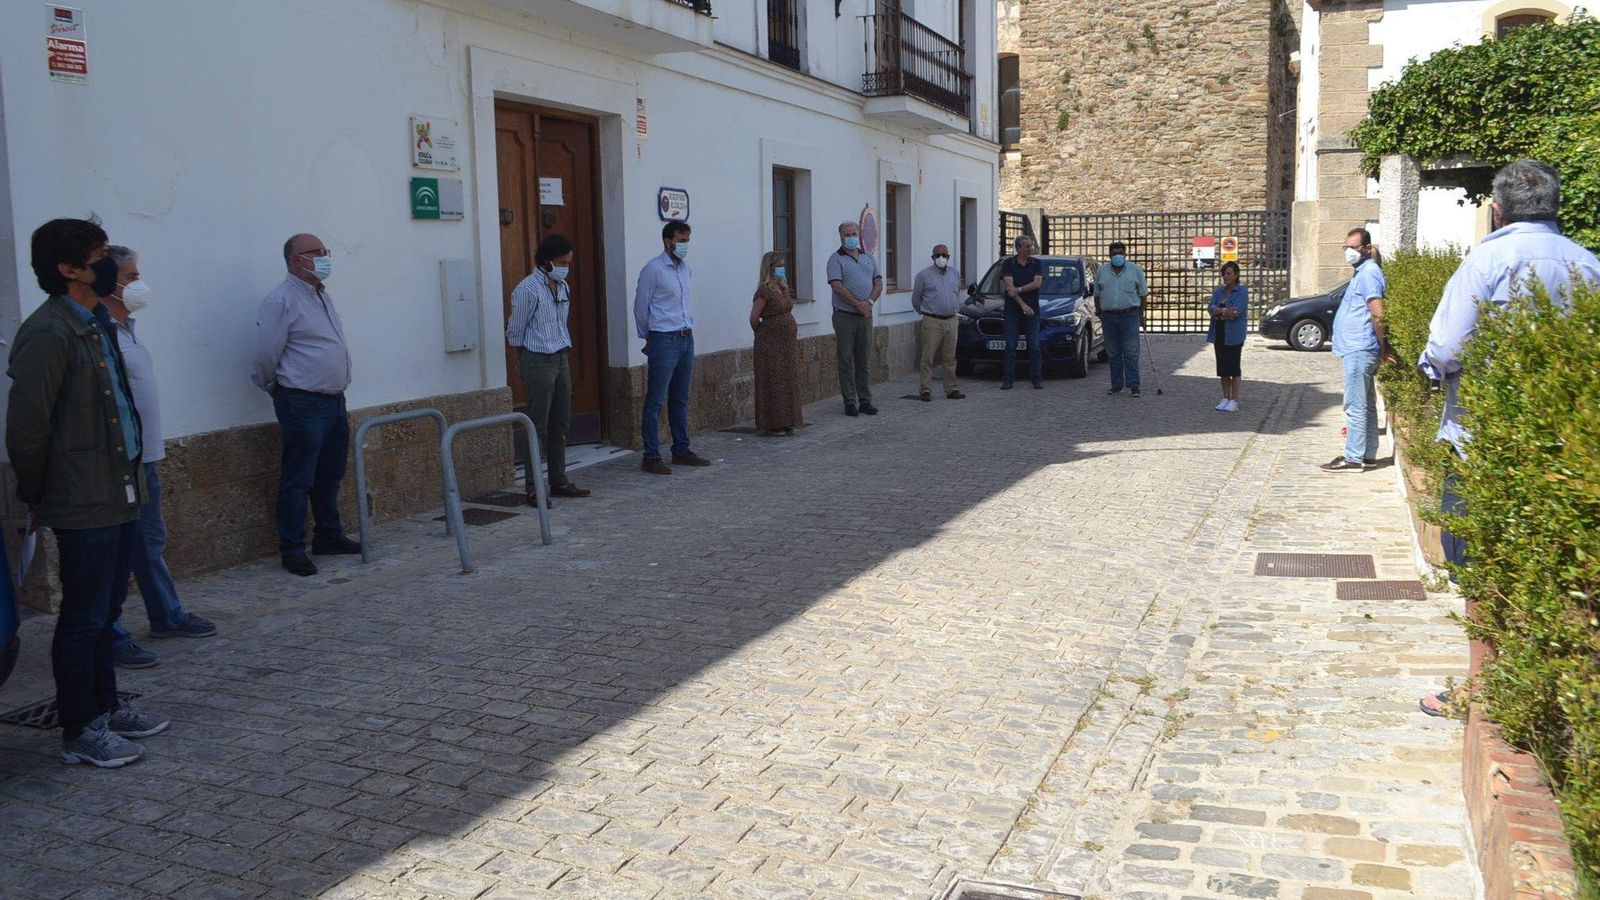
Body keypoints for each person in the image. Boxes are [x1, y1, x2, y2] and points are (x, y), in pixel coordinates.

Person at [1415, 159, 1600, 717]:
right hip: (1563, 442)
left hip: (1484, 435)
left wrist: (1430, 371)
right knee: (1553, 564)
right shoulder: (1588, 264)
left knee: (1481, 559)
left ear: (1497, 208)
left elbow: (1447, 348)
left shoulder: (1489, 258)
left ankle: (1485, 683)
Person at [7, 218, 168, 767]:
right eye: (97, 256)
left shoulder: (97, 321)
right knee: (82, 615)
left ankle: (105, 704)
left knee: (105, 610)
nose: (108, 266)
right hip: (82, 497)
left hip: (118, 489)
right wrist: (39, 491)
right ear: (69, 269)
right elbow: (27, 427)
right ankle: (80, 728)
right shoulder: (48, 333)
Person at [100, 246, 218, 670]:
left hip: (144, 457)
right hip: (117, 462)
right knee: (113, 553)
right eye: (131, 277)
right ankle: (110, 634)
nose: (139, 284)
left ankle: (166, 615)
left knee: (149, 542)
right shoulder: (97, 333)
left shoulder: (126, 327)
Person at [252, 233, 361, 576]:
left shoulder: (321, 296)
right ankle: (292, 548)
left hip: (332, 400)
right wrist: (276, 387)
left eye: (326, 250)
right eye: (318, 252)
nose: (326, 256)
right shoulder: (281, 300)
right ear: (297, 259)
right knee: (298, 479)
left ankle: (328, 535)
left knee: (329, 475)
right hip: (302, 401)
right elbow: (267, 354)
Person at [507, 234, 591, 504]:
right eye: (562, 261)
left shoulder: (563, 286)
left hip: (560, 356)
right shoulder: (528, 289)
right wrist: (528, 358)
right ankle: (533, 486)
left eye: (569, 261)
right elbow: (516, 331)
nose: (566, 266)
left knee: (561, 423)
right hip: (538, 358)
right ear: (546, 261)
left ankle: (559, 480)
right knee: (538, 425)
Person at [634, 220, 711, 474]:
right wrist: (650, 338)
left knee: (680, 397)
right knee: (656, 399)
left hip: (685, 337)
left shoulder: (685, 269)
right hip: (663, 338)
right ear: (668, 241)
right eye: (681, 240)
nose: (685, 245)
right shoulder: (653, 269)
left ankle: (681, 449)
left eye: (688, 240)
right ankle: (651, 455)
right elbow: (640, 308)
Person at [1320, 227, 1394, 472]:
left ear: (1365, 248)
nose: (1349, 252)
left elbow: (1377, 312)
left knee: (1355, 404)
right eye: (1346, 247)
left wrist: (1384, 345)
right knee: (1366, 403)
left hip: (1360, 347)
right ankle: (1368, 453)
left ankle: (1353, 457)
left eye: (1353, 248)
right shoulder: (1362, 273)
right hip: (1357, 347)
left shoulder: (1369, 274)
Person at [826, 221, 883, 416]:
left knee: (863, 359)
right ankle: (850, 401)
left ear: (858, 235)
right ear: (841, 237)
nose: (850, 237)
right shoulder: (835, 259)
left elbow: (878, 282)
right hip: (845, 316)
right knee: (846, 359)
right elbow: (836, 285)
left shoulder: (868, 257)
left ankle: (865, 400)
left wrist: (869, 303)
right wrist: (856, 303)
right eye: (846, 235)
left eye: (852, 234)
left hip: (865, 315)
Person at [750, 251, 804, 434]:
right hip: (770, 345)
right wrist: (766, 334)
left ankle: (788, 420)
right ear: (769, 268)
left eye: (782, 265)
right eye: (777, 266)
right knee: (773, 381)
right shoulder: (764, 291)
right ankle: (773, 424)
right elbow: (754, 318)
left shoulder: (783, 288)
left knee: (788, 379)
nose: (781, 269)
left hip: (786, 345)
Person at [911, 244, 967, 402]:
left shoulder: (955, 274)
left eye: (944, 255)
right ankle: (925, 390)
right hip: (932, 321)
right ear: (932, 257)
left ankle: (951, 388)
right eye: (937, 255)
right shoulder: (923, 275)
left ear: (949, 257)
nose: (941, 258)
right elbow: (916, 298)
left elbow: (956, 295)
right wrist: (924, 312)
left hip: (951, 320)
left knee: (950, 358)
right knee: (927, 357)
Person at [1094, 241, 1149, 397]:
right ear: (1109, 255)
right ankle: (1116, 385)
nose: (1117, 256)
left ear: (1125, 254)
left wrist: (1141, 313)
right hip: (1109, 317)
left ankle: (1134, 386)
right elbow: (1097, 293)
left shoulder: (1135, 270)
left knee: (1131, 352)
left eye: (1120, 253)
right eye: (1114, 253)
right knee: (1113, 353)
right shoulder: (1102, 271)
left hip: (1129, 315)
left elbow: (1143, 294)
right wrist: (1099, 311)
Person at [1000, 236, 1044, 391]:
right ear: (1018, 248)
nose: (1030, 249)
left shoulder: (1036, 263)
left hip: (1033, 312)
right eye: (1026, 246)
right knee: (1011, 345)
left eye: (1030, 246)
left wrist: (1019, 289)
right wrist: (1023, 305)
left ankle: (1036, 378)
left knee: (1034, 346)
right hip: (1013, 312)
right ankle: (1008, 379)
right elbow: (1009, 289)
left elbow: (1037, 283)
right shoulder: (1008, 264)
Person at [1207, 261, 1249, 412]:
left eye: (1229, 273)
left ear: (1236, 274)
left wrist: (1220, 312)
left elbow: (1236, 311)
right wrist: (1224, 312)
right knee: (1223, 368)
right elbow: (1210, 308)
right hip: (1219, 332)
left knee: (1234, 368)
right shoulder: (1218, 292)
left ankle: (1234, 400)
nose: (1226, 276)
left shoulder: (1242, 292)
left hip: (1234, 334)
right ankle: (1225, 397)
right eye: (1224, 273)